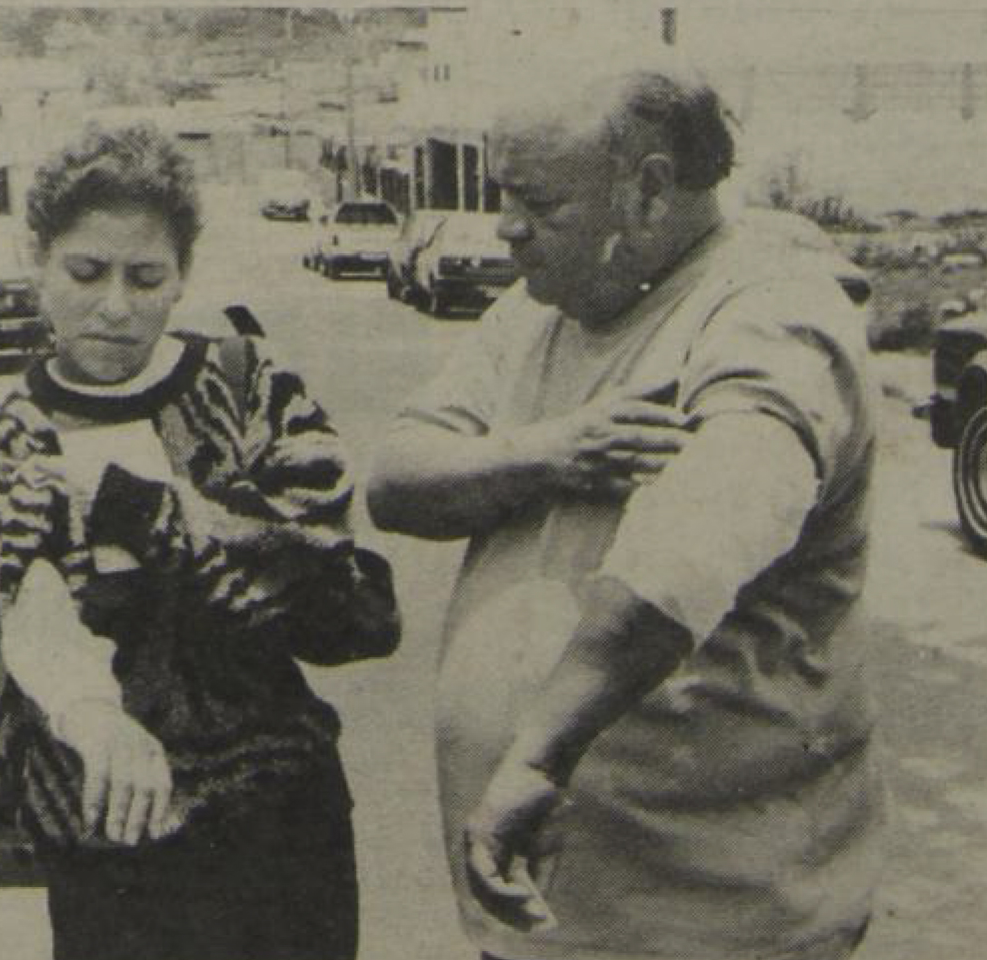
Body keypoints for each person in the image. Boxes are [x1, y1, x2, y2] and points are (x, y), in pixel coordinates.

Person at [368, 67, 883, 960]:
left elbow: (685, 556)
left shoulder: (774, 315)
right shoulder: (534, 314)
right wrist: (547, 451)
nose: (507, 227)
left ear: (648, 190)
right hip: (547, 913)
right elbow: (395, 479)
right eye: (501, 196)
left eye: (539, 201)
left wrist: (535, 754)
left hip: (715, 920)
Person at [0, 122, 399, 960]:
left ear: (182, 276)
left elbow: (315, 541)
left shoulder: (244, 383)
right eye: (86, 272)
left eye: (146, 277)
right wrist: (94, 718)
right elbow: (23, 597)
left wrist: (126, 512)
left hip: (282, 821)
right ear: (36, 261)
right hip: (113, 832)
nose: (115, 305)